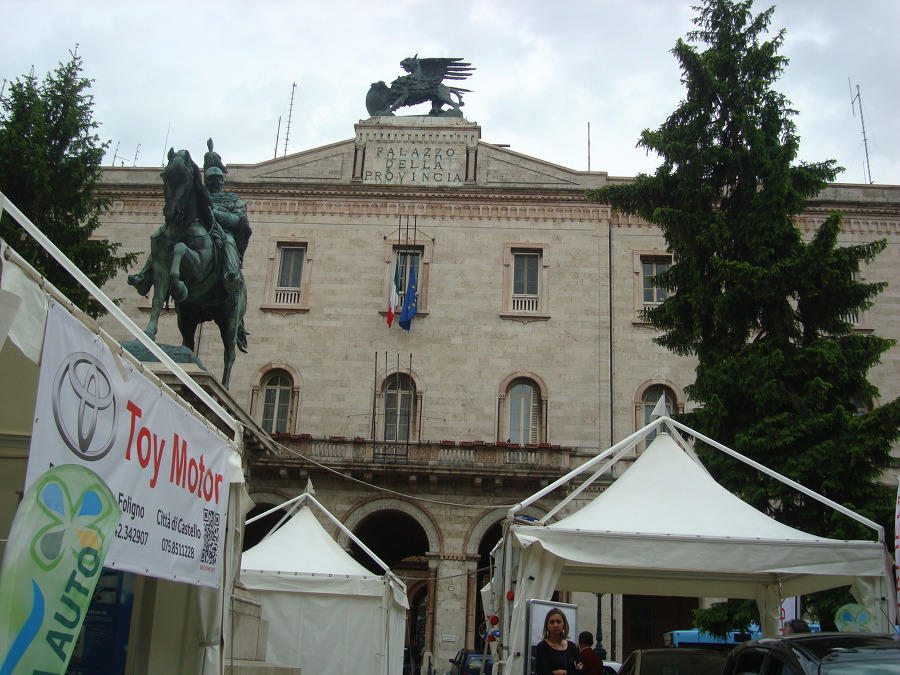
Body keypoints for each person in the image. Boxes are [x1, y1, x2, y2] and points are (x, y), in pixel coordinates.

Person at [534, 608, 583, 675]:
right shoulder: (542, 647)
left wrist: (564, 673)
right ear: (547, 625)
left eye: (558, 621)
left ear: (564, 624)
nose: (555, 625)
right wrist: (574, 671)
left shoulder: (572, 646)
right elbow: (543, 672)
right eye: (552, 622)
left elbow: (582, 672)